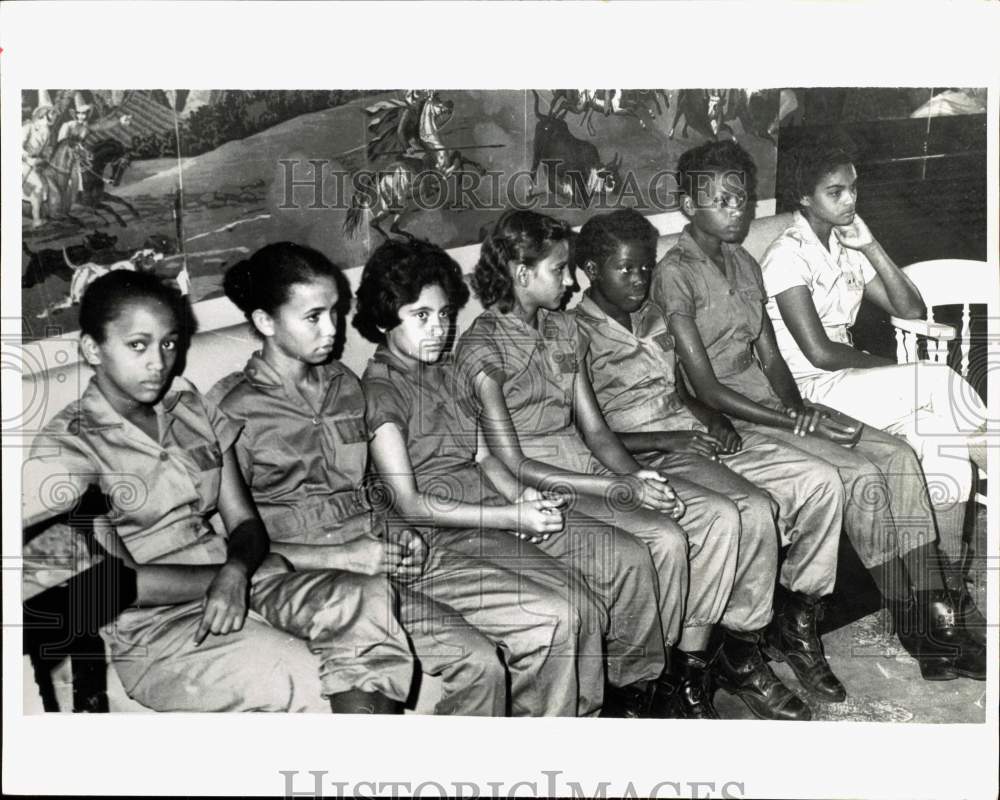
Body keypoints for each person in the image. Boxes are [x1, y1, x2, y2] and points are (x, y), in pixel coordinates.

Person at [210, 242, 597, 717]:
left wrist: (400, 532)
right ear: (266, 322)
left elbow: (369, 491)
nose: (332, 331)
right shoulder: (232, 410)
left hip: (389, 550)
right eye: (313, 318)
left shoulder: (342, 387)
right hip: (312, 576)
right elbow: (231, 545)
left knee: (553, 616)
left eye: (334, 312)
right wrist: (347, 555)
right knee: (479, 662)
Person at [654, 139, 984, 683]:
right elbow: (707, 388)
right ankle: (914, 621)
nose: (738, 209)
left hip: (784, 399)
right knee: (860, 468)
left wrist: (799, 405)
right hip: (736, 416)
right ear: (688, 205)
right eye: (723, 200)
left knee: (900, 455)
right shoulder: (676, 273)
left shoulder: (742, 262)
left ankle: (933, 620)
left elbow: (770, 357)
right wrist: (792, 417)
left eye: (742, 198)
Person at [21, 270, 415, 713]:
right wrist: (235, 577)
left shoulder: (187, 405)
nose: (158, 362)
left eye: (169, 343)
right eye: (138, 345)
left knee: (371, 600)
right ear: (92, 349)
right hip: (159, 628)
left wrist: (237, 572)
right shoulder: (67, 448)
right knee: (301, 676)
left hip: (238, 578)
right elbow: (120, 586)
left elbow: (244, 522)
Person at [354, 236, 665, 718]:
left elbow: (484, 456)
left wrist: (525, 501)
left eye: (444, 315)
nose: (438, 329)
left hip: (490, 512)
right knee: (561, 614)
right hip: (443, 534)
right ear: (382, 320)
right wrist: (507, 513)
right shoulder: (380, 393)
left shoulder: (445, 371)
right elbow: (410, 503)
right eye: (421, 317)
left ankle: (597, 715)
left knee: (586, 602)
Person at [455, 209, 745, 719]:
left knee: (674, 535)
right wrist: (614, 490)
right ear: (521, 273)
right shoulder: (482, 348)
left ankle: (653, 680)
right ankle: (628, 692)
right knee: (646, 548)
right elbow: (513, 462)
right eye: (558, 270)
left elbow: (595, 431)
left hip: (584, 466)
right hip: (540, 486)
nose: (569, 282)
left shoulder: (565, 331)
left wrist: (632, 477)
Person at [573, 208, 852, 719]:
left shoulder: (653, 317)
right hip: (644, 453)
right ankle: (706, 669)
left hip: (692, 435)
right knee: (747, 509)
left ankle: (767, 640)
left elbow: (681, 391)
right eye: (625, 269)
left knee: (804, 488)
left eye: (644, 268)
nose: (639, 280)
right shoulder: (575, 335)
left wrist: (710, 419)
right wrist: (675, 438)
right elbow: (589, 434)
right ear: (590, 271)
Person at [759, 138, 987, 632]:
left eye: (853, 189)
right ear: (804, 197)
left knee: (935, 438)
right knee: (939, 384)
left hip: (850, 382)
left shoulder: (845, 243)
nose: (849, 201)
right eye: (835, 192)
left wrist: (872, 246)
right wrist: (885, 367)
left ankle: (945, 587)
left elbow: (911, 309)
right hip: (810, 390)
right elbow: (818, 352)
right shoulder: (785, 256)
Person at [22, 103, 57, 229]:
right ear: (43, 114)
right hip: (22, 162)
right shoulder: (28, 127)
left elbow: (46, 149)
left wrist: (45, 158)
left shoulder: (47, 131)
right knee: (39, 185)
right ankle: (36, 219)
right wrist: (28, 158)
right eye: (51, 113)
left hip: (37, 163)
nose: (54, 116)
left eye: (53, 113)